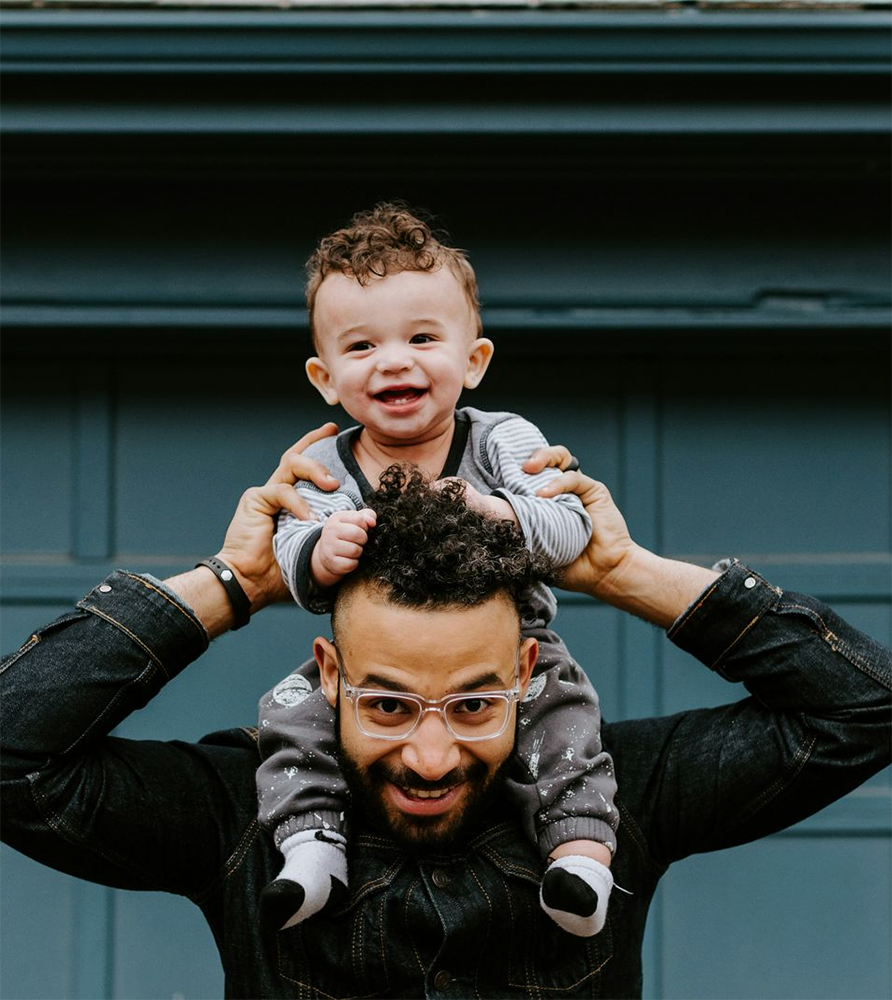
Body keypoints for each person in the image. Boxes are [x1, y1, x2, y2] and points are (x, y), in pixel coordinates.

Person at [1, 425, 889, 1000]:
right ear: (330, 675)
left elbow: (862, 708)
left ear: (527, 669)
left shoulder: (620, 796)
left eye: (473, 704)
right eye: (388, 703)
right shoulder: (241, 810)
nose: (431, 756)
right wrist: (237, 585)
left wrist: (622, 574)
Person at [259, 202, 616, 936]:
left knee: (566, 717)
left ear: (474, 361)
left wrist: (499, 513)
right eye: (362, 348)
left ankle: (579, 857)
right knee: (290, 713)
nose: (394, 360)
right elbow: (291, 556)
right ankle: (311, 847)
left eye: (422, 337)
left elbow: (569, 526)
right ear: (326, 378)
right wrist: (317, 553)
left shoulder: (500, 441)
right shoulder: (324, 463)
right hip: (373, 664)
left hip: (516, 645)